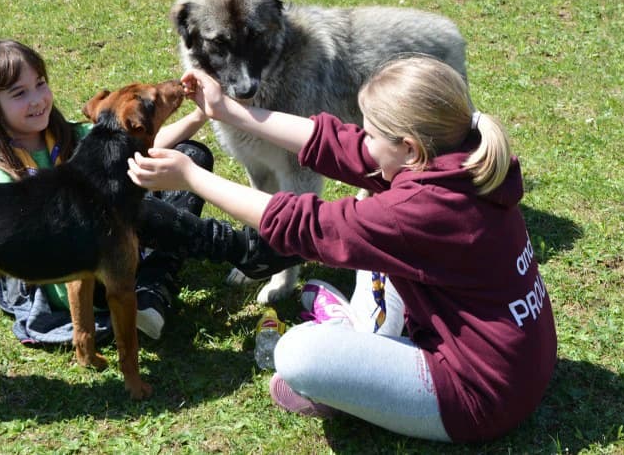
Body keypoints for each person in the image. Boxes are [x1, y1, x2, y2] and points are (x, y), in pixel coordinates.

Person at [127, 55, 557, 444]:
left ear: (409, 148)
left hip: (477, 399)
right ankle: (364, 339)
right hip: (518, 368)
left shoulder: (418, 210)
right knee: (372, 217)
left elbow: (304, 224)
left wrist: (192, 176)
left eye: (371, 134)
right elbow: (338, 144)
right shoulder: (459, 156)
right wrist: (229, 110)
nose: (362, 142)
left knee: (296, 354)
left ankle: (354, 366)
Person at [0, 39, 297, 344]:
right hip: (62, 273)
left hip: (106, 245)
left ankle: (151, 292)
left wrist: (198, 117)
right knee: (130, 210)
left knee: (188, 155)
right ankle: (239, 250)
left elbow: (136, 147)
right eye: (19, 93)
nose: (37, 100)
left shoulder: (65, 135)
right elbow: (23, 248)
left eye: (40, 84)